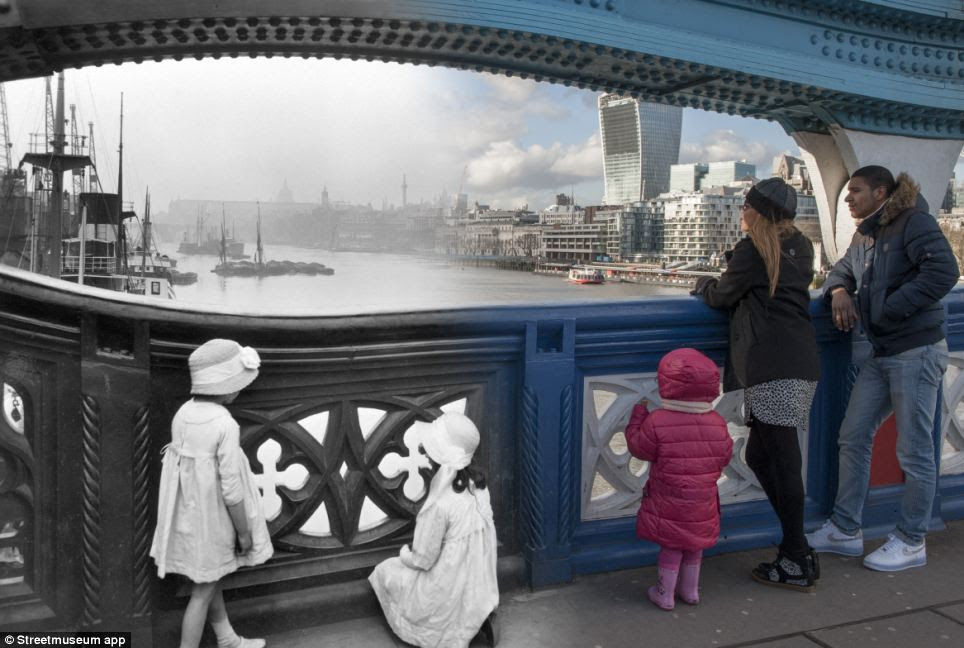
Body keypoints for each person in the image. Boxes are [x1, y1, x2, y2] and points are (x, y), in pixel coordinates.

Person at [807, 166, 958, 571]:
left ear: (880, 191)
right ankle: (845, 529)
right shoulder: (864, 235)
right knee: (852, 436)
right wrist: (840, 290)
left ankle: (911, 540)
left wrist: (889, 309)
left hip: (917, 351)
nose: (848, 199)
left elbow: (944, 271)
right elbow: (840, 270)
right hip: (881, 353)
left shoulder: (914, 222)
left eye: (855, 191)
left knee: (914, 451)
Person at [693, 177, 821, 591]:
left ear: (755, 211)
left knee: (782, 462)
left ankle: (796, 557)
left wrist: (703, 284)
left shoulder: (753, 250)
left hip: (769, 366)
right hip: (799, 360)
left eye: (745, 205)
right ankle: (796, 546)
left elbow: (722, 296)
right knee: (762, 460)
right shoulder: (800, 247)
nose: (741, 211)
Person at [150, 339, 273, 648]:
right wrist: (243, 532)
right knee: (203, 591)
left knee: (208, 578)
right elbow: (231, 488)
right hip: (215, 519)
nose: (239, 390)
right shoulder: (224, 424)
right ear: (227, 387)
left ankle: (227, 638)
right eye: (238, 384)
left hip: (189, 517)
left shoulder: (183, 413)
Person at [369, 412, 499, 648]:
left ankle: (430, 628)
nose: (426, 452)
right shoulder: (480, 487)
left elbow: (424, 560)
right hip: (479, 581)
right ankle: (479, 615)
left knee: (385, 570)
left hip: (448, 586)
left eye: (431, 448)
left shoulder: (440, 503)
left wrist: (404, 554)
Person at [625, 348, 733, 611]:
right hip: (703, 499)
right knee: (694, 545)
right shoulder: (717, 422)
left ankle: (665, 593)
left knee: (672, 546)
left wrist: (638, 417)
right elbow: (725, 455)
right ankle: (690, 590)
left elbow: (639, 448)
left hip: (668, 498)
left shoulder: (658, 421)